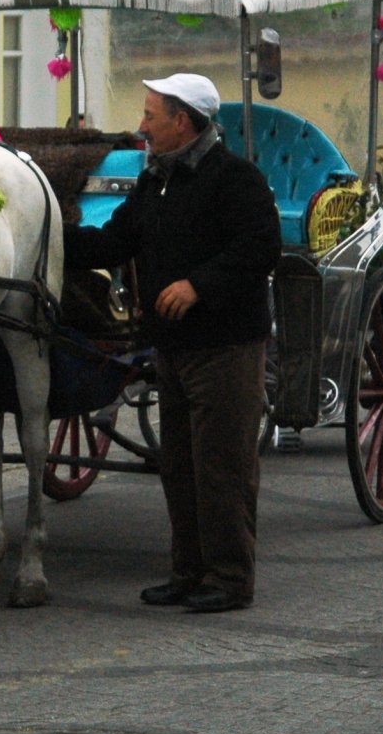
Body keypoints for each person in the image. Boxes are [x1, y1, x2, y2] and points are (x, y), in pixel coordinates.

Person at [64, 73, 280, 613]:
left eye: (150, 115)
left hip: (225, 347)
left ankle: (230, 580)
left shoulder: (236, 179)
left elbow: (261, 248)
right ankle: (188, 572)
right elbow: (113, 241)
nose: (141, 126)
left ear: (182, 121)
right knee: (180, 465)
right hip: (175, 348)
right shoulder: (156, 182)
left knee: (222, 466)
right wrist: (43, 233)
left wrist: (198, 286)